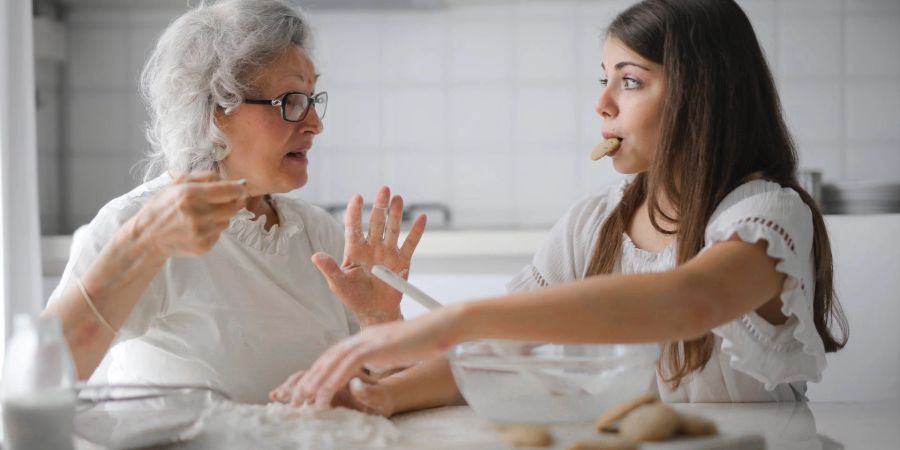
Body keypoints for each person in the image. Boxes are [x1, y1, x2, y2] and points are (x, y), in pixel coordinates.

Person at [274, 0, 849, 413]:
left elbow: (691, 301)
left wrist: (461, 316)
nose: (600, 103)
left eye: (629, 80)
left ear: (701, 94)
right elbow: (496, 353)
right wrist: (385, 390)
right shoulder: (592, 223)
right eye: (604, 79)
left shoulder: (768, 215)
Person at [42, 0, 426, 403]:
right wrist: (140, 245)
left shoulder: (316, 233)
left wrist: (381, 321)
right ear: (214, 109)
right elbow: (42, 377)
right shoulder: (138, 222)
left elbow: (378, 388)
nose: (315, 123)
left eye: (313, 99)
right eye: (291, 101)